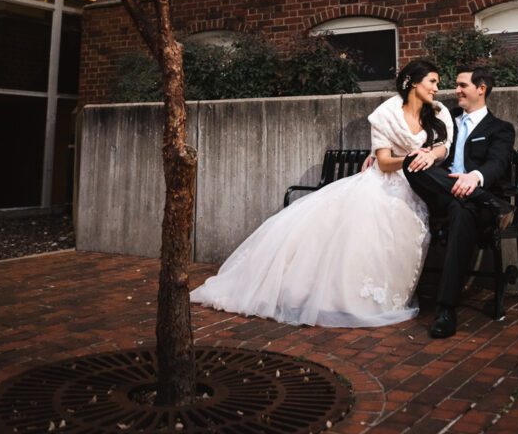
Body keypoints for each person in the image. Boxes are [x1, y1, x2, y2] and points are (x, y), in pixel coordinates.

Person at [190, 59, 453, 327]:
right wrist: (409, 159)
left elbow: (443, 146)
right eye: (432, 81)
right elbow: (384, 162)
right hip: (387, 177)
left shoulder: (438, 112)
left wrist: (431, 155)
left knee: (397, 214)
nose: (436, 88)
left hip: (420, 183)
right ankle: (341, 297)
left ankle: (380, 295)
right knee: (370, 211)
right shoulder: (386, 114)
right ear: (413, 82)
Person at [403, 66, 515, 339]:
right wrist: (377, 154)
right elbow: (409, 130)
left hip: (472, 206)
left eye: (463, 85)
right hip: (445, 194)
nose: (456, 90)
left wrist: (474, 178)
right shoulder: (446, 118)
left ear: (481, 89)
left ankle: (445, 309)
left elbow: (498, 163)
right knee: (411, 163)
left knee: (462, 210)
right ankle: (492, 203)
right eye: (457, 85)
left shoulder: (500, 129)